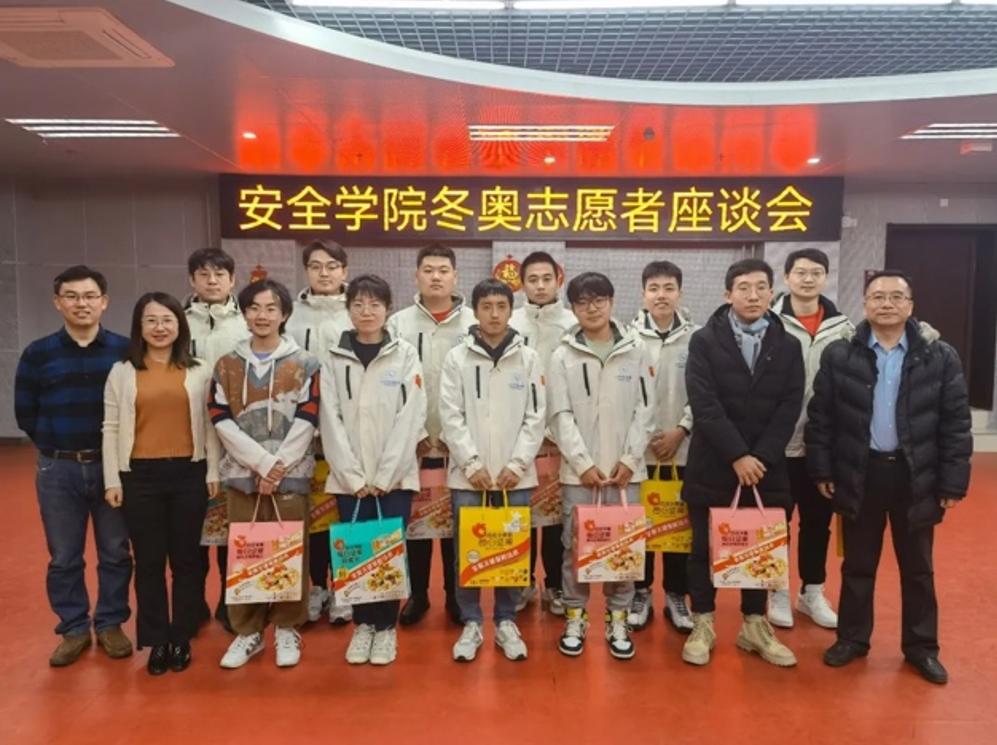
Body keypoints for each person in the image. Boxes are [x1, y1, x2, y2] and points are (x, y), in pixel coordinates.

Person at [806, 270, 972, 685]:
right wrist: (822, 469)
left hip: (916, 476)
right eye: (877, 296)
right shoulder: (841, 354)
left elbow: (956, 423)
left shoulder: (939, 356)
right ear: (864, 304)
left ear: (910, 306)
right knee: (858, 564)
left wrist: (952, 482)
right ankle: (852, 639)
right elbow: (821, 418)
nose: (886, 304)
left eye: (896, 297)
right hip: (860, 473)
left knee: (918, 568)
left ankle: (921, 648)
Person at [681, 258, 804, 669]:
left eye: (761, 287)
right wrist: (737, 455)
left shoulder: (788, 345)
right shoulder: (704, 341)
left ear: (772, 292)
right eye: (744, 288)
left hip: (766, 469)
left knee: (761, 546)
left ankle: (754, 624)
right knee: (703, 548)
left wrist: (760, 458)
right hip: (714, 463)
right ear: (727, 294)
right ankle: (703, 622)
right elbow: (704, 404)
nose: (753, 295)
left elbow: (790, 406)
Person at [14, 265, 133, 667]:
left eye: (89, 296)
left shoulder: (125, 351)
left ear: (104, 301)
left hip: (112, 468)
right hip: (58, 469)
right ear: (57, 302)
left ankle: (111, 623)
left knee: (115, 551)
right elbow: (25, 412)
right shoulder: (38, 353)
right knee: (64, 555)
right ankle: (74, 627)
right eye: (72, 296)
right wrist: (54, 447)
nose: (81, 304)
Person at [102, 293, 221, 675]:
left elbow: (211, 427)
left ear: (179, 326)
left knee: (188, 561)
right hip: (139, 477)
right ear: (139, 327)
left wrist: (213, 472)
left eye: (167, 319)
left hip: (189, 473)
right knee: (149, 562)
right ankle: (156, 640)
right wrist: (112, 479)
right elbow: (111, 428)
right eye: (151, 320)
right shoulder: (122, 371)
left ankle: (182, 636)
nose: (159, 327)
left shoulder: (199, 369)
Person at [209, 279, 320, 670]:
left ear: (284, 313)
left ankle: (288, 627)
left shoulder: (306, 363)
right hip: (243, 475)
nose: (262, 315)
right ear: (244, 313)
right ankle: (248, 631)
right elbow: (219, 417)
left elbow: (309, 416)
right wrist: (260, 462)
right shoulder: (226, 364)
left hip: (291, 474)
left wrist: (278, 465)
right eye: (254, 308)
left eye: (271, 308)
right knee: (247, 552)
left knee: (291, 551)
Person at [547, 272, 655, 660]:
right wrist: (583, 463)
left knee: (625, 547)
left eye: (599, 300)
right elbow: (559, 415)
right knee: (575, 548)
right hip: (580, 475)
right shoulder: (562, 355)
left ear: (611, 302)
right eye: (582, 302)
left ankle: (618, 619)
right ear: (573, 308)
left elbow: (646, 409)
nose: (591, 309)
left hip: (627, 474)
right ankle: (575, 618)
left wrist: (629, 459)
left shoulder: (637, 349)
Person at [319, 274, 426, 666]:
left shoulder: (404, 354)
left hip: (393, 479)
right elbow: (328, 418)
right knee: (356, 551)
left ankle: (386, 628)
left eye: (375, 304)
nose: (367, 312)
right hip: (349, 481)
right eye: (359, 304)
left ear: (387, 309)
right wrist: (352, 476)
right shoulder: (333, 357)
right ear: (348, 310)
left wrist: (385, 475)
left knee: (387, 550)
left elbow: (411, 415)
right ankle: (362, 625)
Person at [441, 279, 546, 662]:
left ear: (510, 310)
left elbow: (537, 415)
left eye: (501, 306)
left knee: (511, 549)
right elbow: (450, 414)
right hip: (468, 476)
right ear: (476, 311)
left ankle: (505, 620)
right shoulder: (457, 357)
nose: (495, 314)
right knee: (467, 550)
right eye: (486, 307)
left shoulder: (528, 358)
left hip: (514, 476)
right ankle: (471, 620)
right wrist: (471, 463)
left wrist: (517, 464)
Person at [386, 243, 475, 626]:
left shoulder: (473, 322)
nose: (436, 277)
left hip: (461, 444)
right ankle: (418, 595)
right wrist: (416, 433)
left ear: (455, 276)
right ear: (416, 276)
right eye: (428, 270)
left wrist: (463, 438)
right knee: (417, 523)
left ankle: (456, 596)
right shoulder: (398, 324)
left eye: (443, 270)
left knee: (456, 524)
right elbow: (391, 385)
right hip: (413, 443)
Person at [767, 248, 854, 630]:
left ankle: (812, 592)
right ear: (786, 277)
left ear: (825, 278)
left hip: (823, 446)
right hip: (775, 444)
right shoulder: (769, 322)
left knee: (818, 523)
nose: (807, 279)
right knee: (776, 522)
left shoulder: (845, 329)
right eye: (800, 272)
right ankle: (777, 591)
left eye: (815, 272)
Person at [285, 240, 353, 628]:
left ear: (344, 270)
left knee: (345, 513)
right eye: (315, 266)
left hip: (348, 436)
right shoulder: (291, 317)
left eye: (332, 265)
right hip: (302, 435)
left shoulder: (357, 312)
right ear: (306, 271)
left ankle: (345, 586)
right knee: (312, 516)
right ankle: (317, 587)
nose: (324, 273)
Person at [628, 261, 697, 633]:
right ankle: (640, 592)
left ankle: (675, 594)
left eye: (669, 288)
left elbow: (704, 391)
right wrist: (646, 438)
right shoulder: (627, 337)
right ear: (642, 294)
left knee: (676, 523)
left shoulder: (698, 338)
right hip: (639, 452)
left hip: (682, 448)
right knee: (642, 523)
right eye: (654, 288)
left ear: (680, 293)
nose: (661, 295)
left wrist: (681, 430)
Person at [184, 247, 249, 633]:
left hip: (235, 441)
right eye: (203, 274)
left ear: (232, 279)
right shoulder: (176, 321)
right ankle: (192, 603)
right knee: (190, 529)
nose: (212, 281)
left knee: (231, 528)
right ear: (191, 279)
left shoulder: (246, 324)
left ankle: (230, 602)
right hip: (187, 440)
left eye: (219, 274)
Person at [509, 251, 575, 616]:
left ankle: (554, 585)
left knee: (554, 516)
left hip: (560, 438)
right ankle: (520, 582)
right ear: (521, 284)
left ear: (558, 281)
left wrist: (559, 429)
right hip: (518, 436)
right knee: (521, 512)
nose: (540, 286)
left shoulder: (572, 323)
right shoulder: (510, 321)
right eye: (532, 279)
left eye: (546, 278)